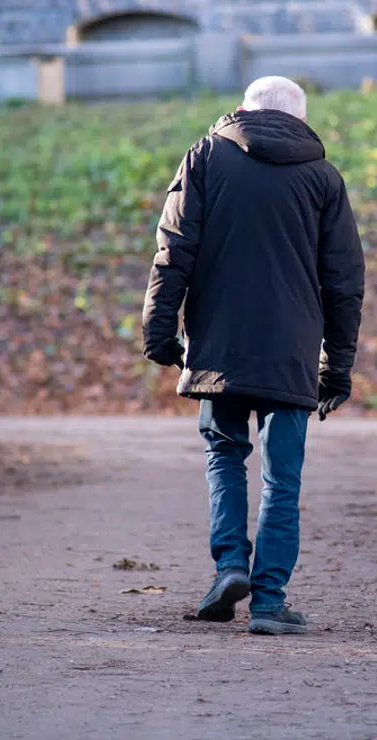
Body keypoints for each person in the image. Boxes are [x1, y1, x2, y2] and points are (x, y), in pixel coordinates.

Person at [140, 75, 365, 635]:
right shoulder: (323, 178)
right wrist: (336, 366)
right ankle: (268, 602)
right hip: (291, 352)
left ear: (243, 109)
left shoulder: (206, 157)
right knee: (282, 479)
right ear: (301, 118)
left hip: (219, 344)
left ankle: (230, 567)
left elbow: (174, 251)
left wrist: (161, 331)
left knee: (224, 456)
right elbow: (344, 281)